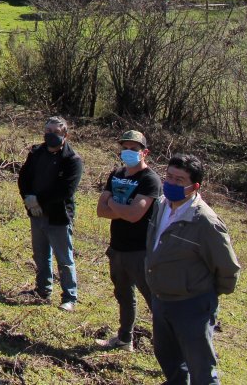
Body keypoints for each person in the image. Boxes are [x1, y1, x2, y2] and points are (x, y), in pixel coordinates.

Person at [145, 154, 241, 385]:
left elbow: (227, 267)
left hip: (192, 303)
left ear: (194, 186)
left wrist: (204, 296)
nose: (171, 183)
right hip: (161, 298)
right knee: (168, 358)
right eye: (169, 176)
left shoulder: (205, 221)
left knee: (201, 368)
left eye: (180, 180)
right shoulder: (160, 205)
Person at [95, 130, 162, 352]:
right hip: (117, 247)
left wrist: (114, 203)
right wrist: (121, 208)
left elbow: (135, 215)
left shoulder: (150, 180)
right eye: (125, 148)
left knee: (154, 300)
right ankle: (125, 339)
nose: (129, 152)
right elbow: (100, 211)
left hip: (140, 250)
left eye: (134, 149)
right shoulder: (116, 174)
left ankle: (169, 345)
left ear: (145, 152)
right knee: (123, 295)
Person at [18, 116, 84, 311]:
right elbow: (24, 177)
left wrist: (38, 200)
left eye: (55, 132)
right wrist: (28, 197)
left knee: (64, 259)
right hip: (36, 213)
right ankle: (43, 289)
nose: (51, 135)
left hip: (58, 216)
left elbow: (66, 190)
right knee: (40, 255)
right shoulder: (37, 152)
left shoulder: (72, 160)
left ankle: (69, 297)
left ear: (65, 134)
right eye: (48, 131)